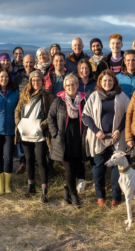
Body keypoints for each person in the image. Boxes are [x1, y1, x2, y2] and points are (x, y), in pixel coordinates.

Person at [83, 69, 130, 207]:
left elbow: (128, 114)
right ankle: (100, 196)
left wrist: (119, 129)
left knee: (117, 167)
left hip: (117, 137)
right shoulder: (94, 96)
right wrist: (96, 131)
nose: (107, 83)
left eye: (110, 80)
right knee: (98, 166)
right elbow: (87, 115)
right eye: (104, 81)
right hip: (99, 137)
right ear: (100, 82)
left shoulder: (121, 95)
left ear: (114, 81)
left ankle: (116, 196)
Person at [14, 70, 55, 203]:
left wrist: (41, 126)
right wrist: (19, 124)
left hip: (39, 134)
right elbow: (17, 110)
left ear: (43, 81)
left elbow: (51, 115)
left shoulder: (48, 96)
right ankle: (31, 186)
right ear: (30, 82)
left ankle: (44, 190)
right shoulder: (25, 95)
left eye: (39, 80)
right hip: (25, 134)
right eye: (33, 80)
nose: (36, 82)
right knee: (29, 159)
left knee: (41, 160)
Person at [48, 74, 87, 206]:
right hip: (64, 140)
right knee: (69, 169)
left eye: (73, 84)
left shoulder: (83, 100)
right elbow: (50, 117)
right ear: (64, 86)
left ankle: (67, 189)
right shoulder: (59, 101)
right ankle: (74, 195)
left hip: (79, 139)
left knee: (75, 168)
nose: (71, 87)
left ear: (77, 85)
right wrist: (55, 134)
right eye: (68, 85)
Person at [13, 54, 36, 174]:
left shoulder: (38, 76)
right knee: (24, 140)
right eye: (27, 62)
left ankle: (35, 162)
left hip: (36, 113)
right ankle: (23, 163)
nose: (29, 65)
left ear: (34, 63)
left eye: (31, 62)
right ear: (23, 63)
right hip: (23, 112)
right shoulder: (18, 78)